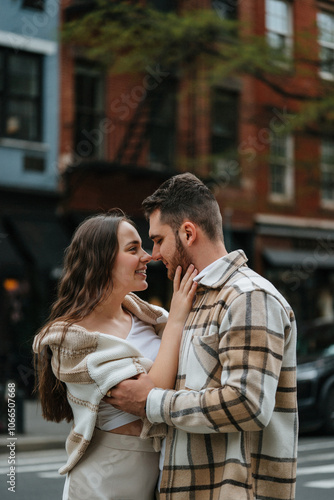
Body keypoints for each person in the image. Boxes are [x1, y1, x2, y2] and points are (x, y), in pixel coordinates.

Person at [106, 173, 298, 500]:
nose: (153, 254)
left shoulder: (249, 297)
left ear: (188, 232)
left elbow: (248, 403)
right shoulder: (193, 298)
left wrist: (151, 402)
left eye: (158, 239)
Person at [33, 209, 198, 500]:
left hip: (157, 479)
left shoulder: (152, 319)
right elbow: (150, 395)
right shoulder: (71, 339)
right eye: (133, 249)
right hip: (101, 484)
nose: (147, 256)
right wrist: (177, 319)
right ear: (101, 259)